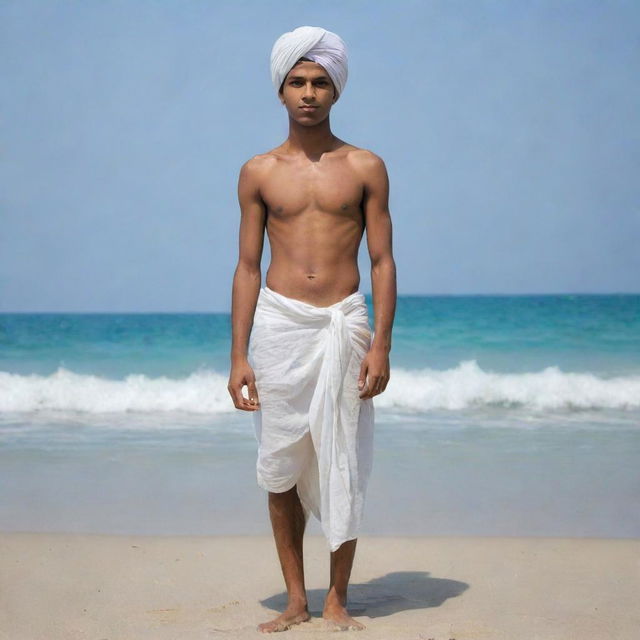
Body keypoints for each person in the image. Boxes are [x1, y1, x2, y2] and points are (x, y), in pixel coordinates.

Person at [227, 25, 396, 633]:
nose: (308, 93)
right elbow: (248, 266)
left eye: (320, 82)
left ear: (336, 91)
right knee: (279, 463)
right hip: (279, 325)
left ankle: (337, 599)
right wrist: (238, 356)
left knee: (342, 456)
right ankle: (296, 597)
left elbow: (382, 262)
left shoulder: (365, 166)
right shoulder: (258, 172)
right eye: (297, 82)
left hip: (343, 326)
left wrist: (380, 343)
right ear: (280, 90)